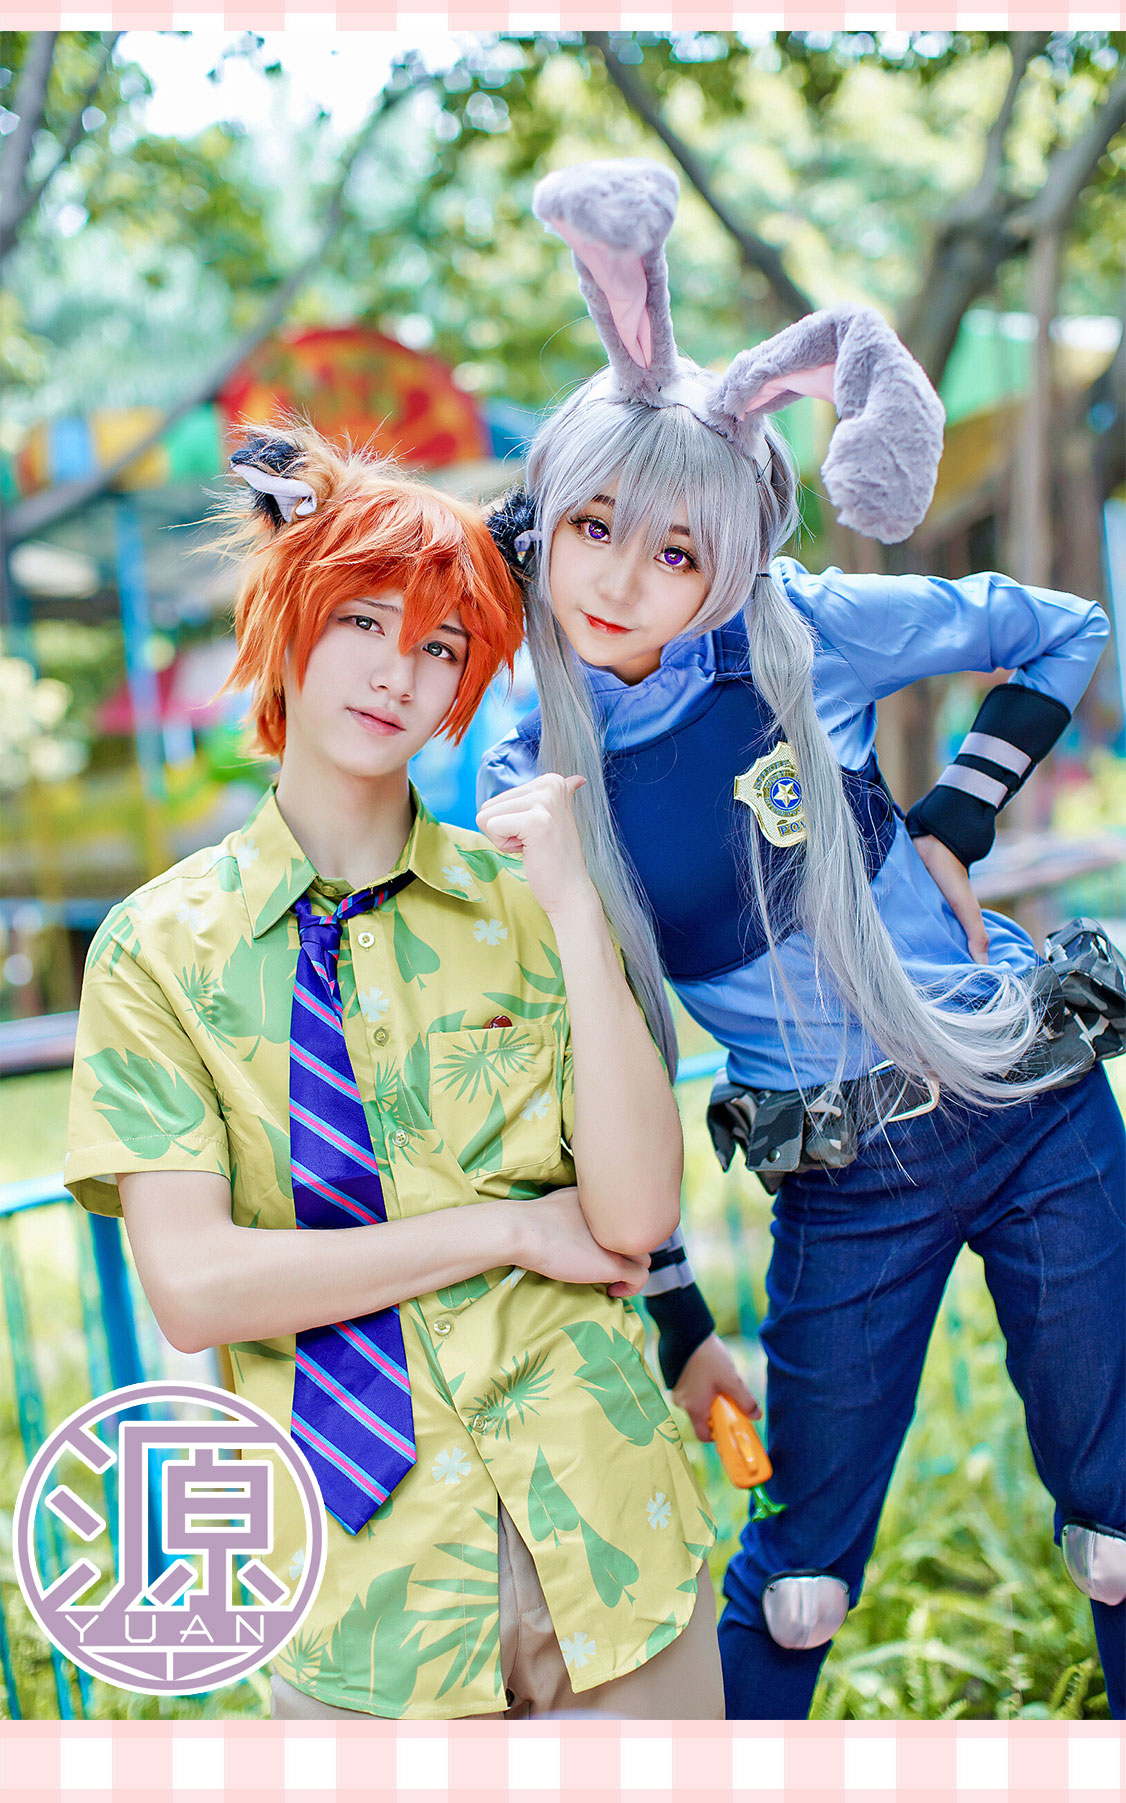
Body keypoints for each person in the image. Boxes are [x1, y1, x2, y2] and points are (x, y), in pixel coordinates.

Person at [479, 159, 1126, 1719]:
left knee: (1117, 1521)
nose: (622, 580)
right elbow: (579, 1061)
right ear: (541, 522)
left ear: (733, 553)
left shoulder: (804, 631)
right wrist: (678, 1317)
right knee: (801, 1572)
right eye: (594, 528)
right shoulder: (526, 771)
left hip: (1031, 1106)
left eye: (676, 550)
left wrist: (955, 815)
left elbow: (1059, 628)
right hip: (844, 1175)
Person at [63, 424, 724, 1722]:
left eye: (441, 647)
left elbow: (637, 1216)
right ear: (288, 624)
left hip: (610, 1531)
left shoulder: (525, 903)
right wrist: (509, 1229)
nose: (396, 674)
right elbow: (197, 1288)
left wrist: (574, 907)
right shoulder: (158, 952)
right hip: (364, 1598)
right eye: (363, 622)